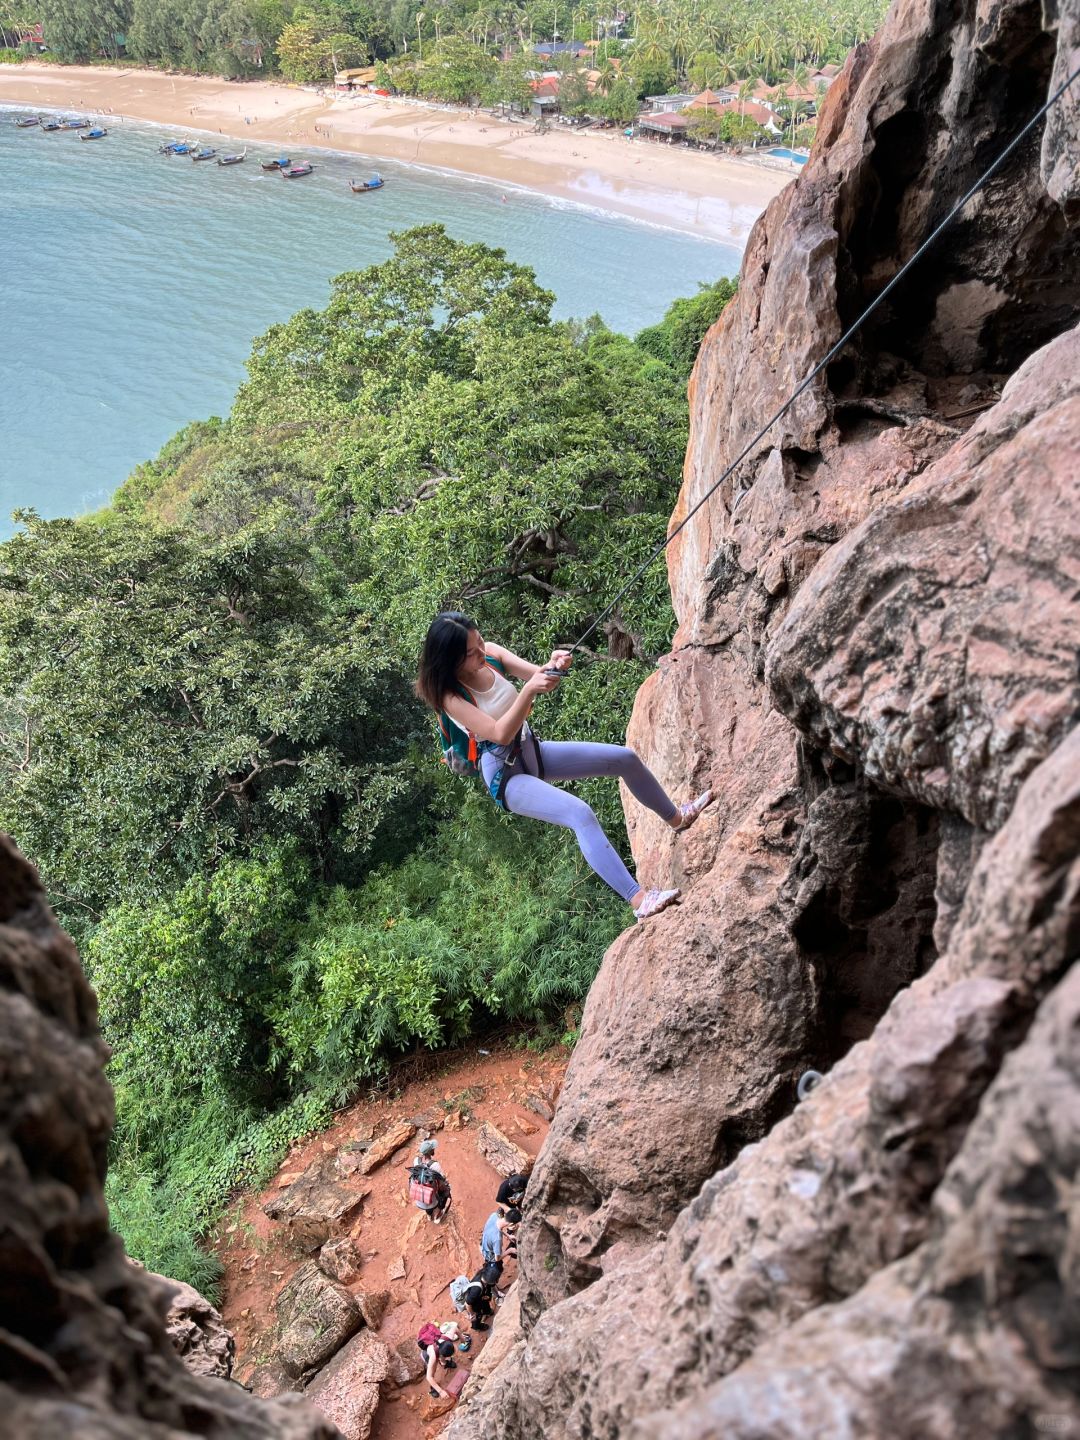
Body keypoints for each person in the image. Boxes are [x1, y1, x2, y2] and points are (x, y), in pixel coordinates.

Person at [415, 613, 713, 921]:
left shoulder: (491, 653)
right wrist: (529, 690)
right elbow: (500, 732)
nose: (480, 652)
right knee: (579, 814)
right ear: (449, 661)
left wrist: (553, 666)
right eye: (470, 653)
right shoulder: (451, 697)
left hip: (531, 750)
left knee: (625, 759)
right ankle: (639, 901)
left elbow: (540, 678)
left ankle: (678, 819)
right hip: (505, 776)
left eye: (479, 641)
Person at [406, 1139, 452, 1223]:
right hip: (431, 1201)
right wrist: (447, 1185)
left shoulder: (416, 1160)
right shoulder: (434, 1165)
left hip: (419, 1200)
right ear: (430, 1151)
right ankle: (437, 1216)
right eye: (433, 1148)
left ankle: (429, 1215)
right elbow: (442, 1179)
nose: (434, 1149)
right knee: (447, 1190)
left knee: (428, 1206)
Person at [417, 1321, 457, 1399]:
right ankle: (433, 1389)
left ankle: (444, 1363)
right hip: (427, 1354)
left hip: (437, 1347)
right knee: (432, 1372)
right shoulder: (433, 1356)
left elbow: (455, 1328)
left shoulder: (447, 1337)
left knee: (441, 1357)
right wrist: (441, 1391)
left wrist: (463, 1340)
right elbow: (429, 1377)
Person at [460, 1265, 498, 1331]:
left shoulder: (485, 1273)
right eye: (495, 1280)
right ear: (489, 1281)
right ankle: (477, 1326)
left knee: (485, 1301)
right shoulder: (476, 1290)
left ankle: (487, 1311)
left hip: (481, 1296)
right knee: (477, 1314)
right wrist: (472, 1314)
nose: (496, 1282)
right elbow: (468, 1304)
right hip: (474, 1302)